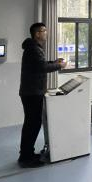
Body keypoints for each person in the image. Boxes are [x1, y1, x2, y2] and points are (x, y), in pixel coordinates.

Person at [18, 22, 65, 168]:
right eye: (44, 31)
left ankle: (28, 153)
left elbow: (40, 64)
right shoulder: (33, 49)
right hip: (32, 92)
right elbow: (42, 67)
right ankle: (26, 158)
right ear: (37, 34)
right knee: (32, 125)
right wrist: (59, 65)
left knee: (31, 124)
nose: (46, 33)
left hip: (31, 91)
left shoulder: (34, 47)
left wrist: (53, 62)